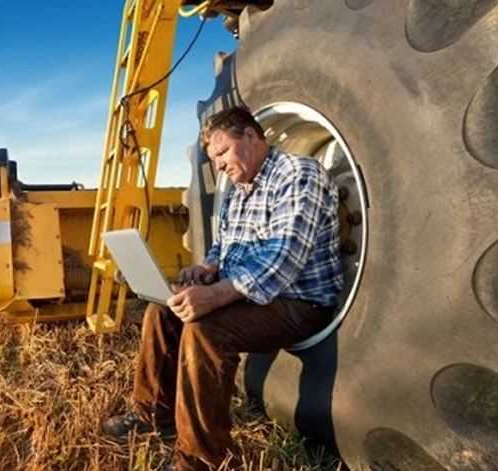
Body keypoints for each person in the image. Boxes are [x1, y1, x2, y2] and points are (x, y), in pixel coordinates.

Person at [101, 106, 344, 470]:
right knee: (163, 311)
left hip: (298, 302)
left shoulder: (298, 174)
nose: (219, 166)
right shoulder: (240, 190)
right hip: (255, 297)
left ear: (250, 135)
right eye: (213, 158)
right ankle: (152, 414)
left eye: (222, 153)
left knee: (204, 329)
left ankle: (200, 459)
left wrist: (214, 296)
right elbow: (224, 245)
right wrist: (206, 268)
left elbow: (283, 261)